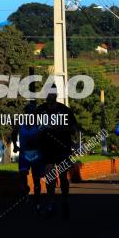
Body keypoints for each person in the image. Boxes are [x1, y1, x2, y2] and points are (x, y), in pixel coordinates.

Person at [35, 86, 78, 219]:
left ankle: (65, 200)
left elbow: (74, 128)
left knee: (63, 176)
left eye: (53, 94)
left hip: (63, 147)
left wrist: (60, 128)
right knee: (50, 176)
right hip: (46, 148)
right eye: (48, 94)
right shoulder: (40, 110)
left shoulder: (64, 110)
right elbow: (32, 127)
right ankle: (51, 202)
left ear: (56, 95)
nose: (50, 96)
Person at [11, 101, 44, 211]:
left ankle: (37, 202)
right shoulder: (20, 123)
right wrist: (15, 145)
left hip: (36, 154)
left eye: (32, 112)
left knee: (36, 180)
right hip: (24, 153)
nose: (30, 114)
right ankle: (25, 189)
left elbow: (45, 136)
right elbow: (13, 133)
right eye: (28, 112)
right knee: (23, 174)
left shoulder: (39, 124)